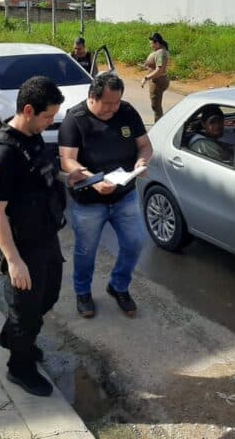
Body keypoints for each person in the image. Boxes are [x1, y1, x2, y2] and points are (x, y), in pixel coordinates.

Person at [0, 76, 85, 396]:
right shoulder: (3, 152)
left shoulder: (34, 137)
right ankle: (20, 367)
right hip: (21, 244)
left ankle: (12, 336)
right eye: (47, 116)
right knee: (25, 310)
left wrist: (72, 176)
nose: (51, 122)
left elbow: (42, 178)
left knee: (48, 296)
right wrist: (13, 261)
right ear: (28, 110)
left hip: (46, 235)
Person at [59, 74, 153, 318]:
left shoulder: (127, 112)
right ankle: (83, 293)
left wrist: (142, 161)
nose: (113, 109)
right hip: (89, 201)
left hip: (124, 195)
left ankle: (118, 286)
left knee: (134, 243)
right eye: (107, 104)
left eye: (116, 103)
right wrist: (95, 181)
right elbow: (67, 160)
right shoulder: (75, 119)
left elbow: (144, 144)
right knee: (86, 251)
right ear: (92, 97)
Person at [140, 32, 170, 122]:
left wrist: (146, 78)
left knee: (156, 106)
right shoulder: (158, 51)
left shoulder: (161, 53)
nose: (150, 46)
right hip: (156, 80)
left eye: (151, 44)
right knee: (156, 105)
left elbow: (159, 70)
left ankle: (159, 124)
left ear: (157, 43)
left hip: (158, 81)